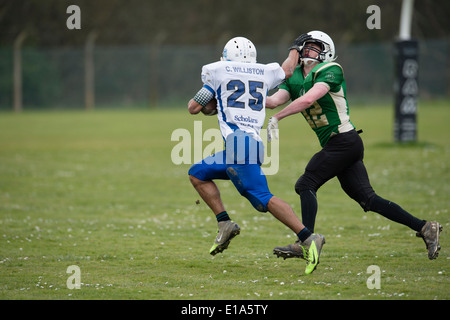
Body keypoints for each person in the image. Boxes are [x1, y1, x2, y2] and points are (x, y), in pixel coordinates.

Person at [266, 30, 442, 261]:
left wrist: (278, 118)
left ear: (327, 51)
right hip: (340, 145)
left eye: (314, 46)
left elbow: (309, 99)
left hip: (344, 141)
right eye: (305, 46)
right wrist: (244, 96)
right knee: (368, 200)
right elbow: (272, 101)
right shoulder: (295, 76)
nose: (308, 50)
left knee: (305, 183)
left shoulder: (330, 69)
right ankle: (425, 227)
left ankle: (305, 242)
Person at [187, 36, 325, 274]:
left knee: (262, 199)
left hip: (239, 144)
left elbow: (195, 107)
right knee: (198, 173)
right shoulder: (265, 71)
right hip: (250, 143)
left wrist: (211, 100)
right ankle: (225, 223)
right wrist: (295, 47)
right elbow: (288, 69)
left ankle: (308, 237)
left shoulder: (217, 70)